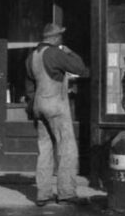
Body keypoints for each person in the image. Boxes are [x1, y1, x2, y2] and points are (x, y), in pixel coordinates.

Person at [25, 22, 90, 206]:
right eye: (60, 36)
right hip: (55, 105)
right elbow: (79, 68)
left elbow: (29, 87)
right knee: (67, 147)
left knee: (44, 150)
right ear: (54, 38)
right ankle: (66, 193)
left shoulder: (32, 56)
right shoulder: (55, 53)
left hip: (38, 105)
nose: (62, 38)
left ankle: (42, 194)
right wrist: (69, 52)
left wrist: (33, 107)